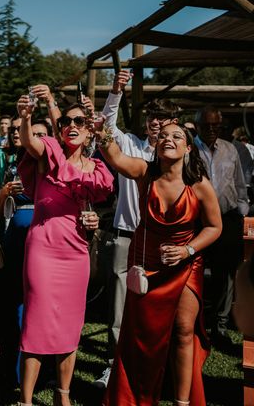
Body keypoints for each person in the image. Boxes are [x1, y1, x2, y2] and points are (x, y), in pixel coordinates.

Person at [97, 122, 221, 405]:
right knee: (140, 334)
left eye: (177, 136)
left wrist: (187, 250)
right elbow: (114, 156)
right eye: (163, 135)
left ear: (188, 147)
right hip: (146, 263)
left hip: (186, 265)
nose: (168, 138)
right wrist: (101, 131)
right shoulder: (144, 172)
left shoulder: (199, 184)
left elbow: (215, 227)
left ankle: (181, 401)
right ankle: (137, 396)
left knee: (183, 331)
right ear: (156, 144)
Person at [16, 93, 114, 406]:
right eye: (65, 122)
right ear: (59, 130)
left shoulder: (96, 168)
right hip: (43, 249)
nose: (71, 125)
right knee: (36, 323)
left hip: (76, 253)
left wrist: (92, 219)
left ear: (89, 130)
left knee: (71, 326)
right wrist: (25, 117)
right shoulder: (50, 153)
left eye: (78, 121)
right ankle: (27, 399)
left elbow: (98, 199)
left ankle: (63, 395)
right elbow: (30, 142)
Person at [94, 71, 181, 388]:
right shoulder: (129, 144)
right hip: (125, 236)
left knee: (157, 306)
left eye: (163, 121)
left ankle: (157, 369)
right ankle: (113, 366)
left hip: (159, 242)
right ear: (146, 125)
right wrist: (116, 91)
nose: (157, 126)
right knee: (118, 309)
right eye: (153, 121)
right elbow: (106, 127)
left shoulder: (175, 158)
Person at [0, 117, 52, 388]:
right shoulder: (14, 166)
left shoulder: (57, 167)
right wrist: (4, 193)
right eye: (31, 133)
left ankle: (43, 371)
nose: (34, 138)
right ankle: (12, 370)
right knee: (13, 303)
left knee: (41, 305)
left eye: (41, 134)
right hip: (15, 238)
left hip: (47, 239)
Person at [194, 106, 248, 348]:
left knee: (225, 275)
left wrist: (241, 209)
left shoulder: (230, 149)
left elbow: (239, 183)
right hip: (196, 220)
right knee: (194, 272)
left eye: (217, 126)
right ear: (197, 126)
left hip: (227, 220)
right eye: (207, 126)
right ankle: (196, 324)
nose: (212, 130)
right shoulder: (188, 149)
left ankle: (220, 327)